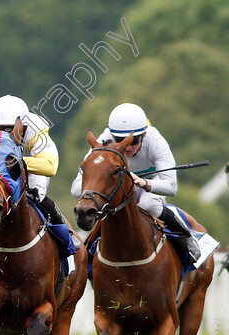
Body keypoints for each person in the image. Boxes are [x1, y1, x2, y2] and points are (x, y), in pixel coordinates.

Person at [70, 102, 200, 262]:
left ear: (144, 135)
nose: (128, 147)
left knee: (148, 205)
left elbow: (172, 186)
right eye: (120, 140)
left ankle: (186, 238)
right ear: (112, 136)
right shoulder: (102, 142)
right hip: (117, 187)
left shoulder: (156, 141)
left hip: (149, 185)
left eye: (134, 141)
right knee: (105, 207)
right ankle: (90, 253)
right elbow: (76, 188)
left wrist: (144, 183)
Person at [0, 95, 67, 225]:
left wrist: (15, 163)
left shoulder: (36, 129)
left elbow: (50, 166)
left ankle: (68, 236)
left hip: (28, 170)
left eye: (10, 129)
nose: (5, 134)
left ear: (23, 127)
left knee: (36, 197)